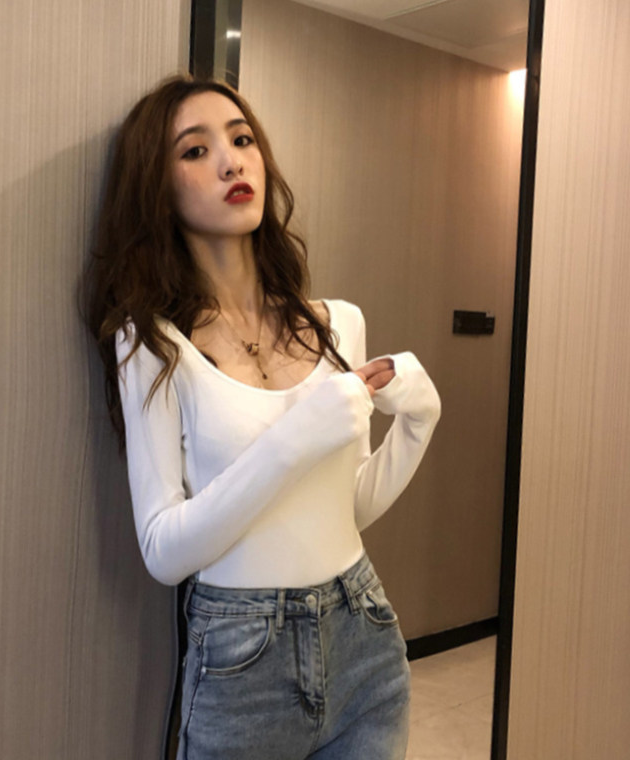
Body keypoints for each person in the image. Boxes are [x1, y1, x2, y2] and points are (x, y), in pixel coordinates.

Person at [83, 74, 441, 760]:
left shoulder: (337, 324)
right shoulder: (153, 342)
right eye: (196, 150)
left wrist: (417, 425)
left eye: (242, 139)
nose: (231, 162)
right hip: (241, 660)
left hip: (362, 634)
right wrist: (296, 438)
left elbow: (345, 509)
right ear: (157, 187)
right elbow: (162, 549)